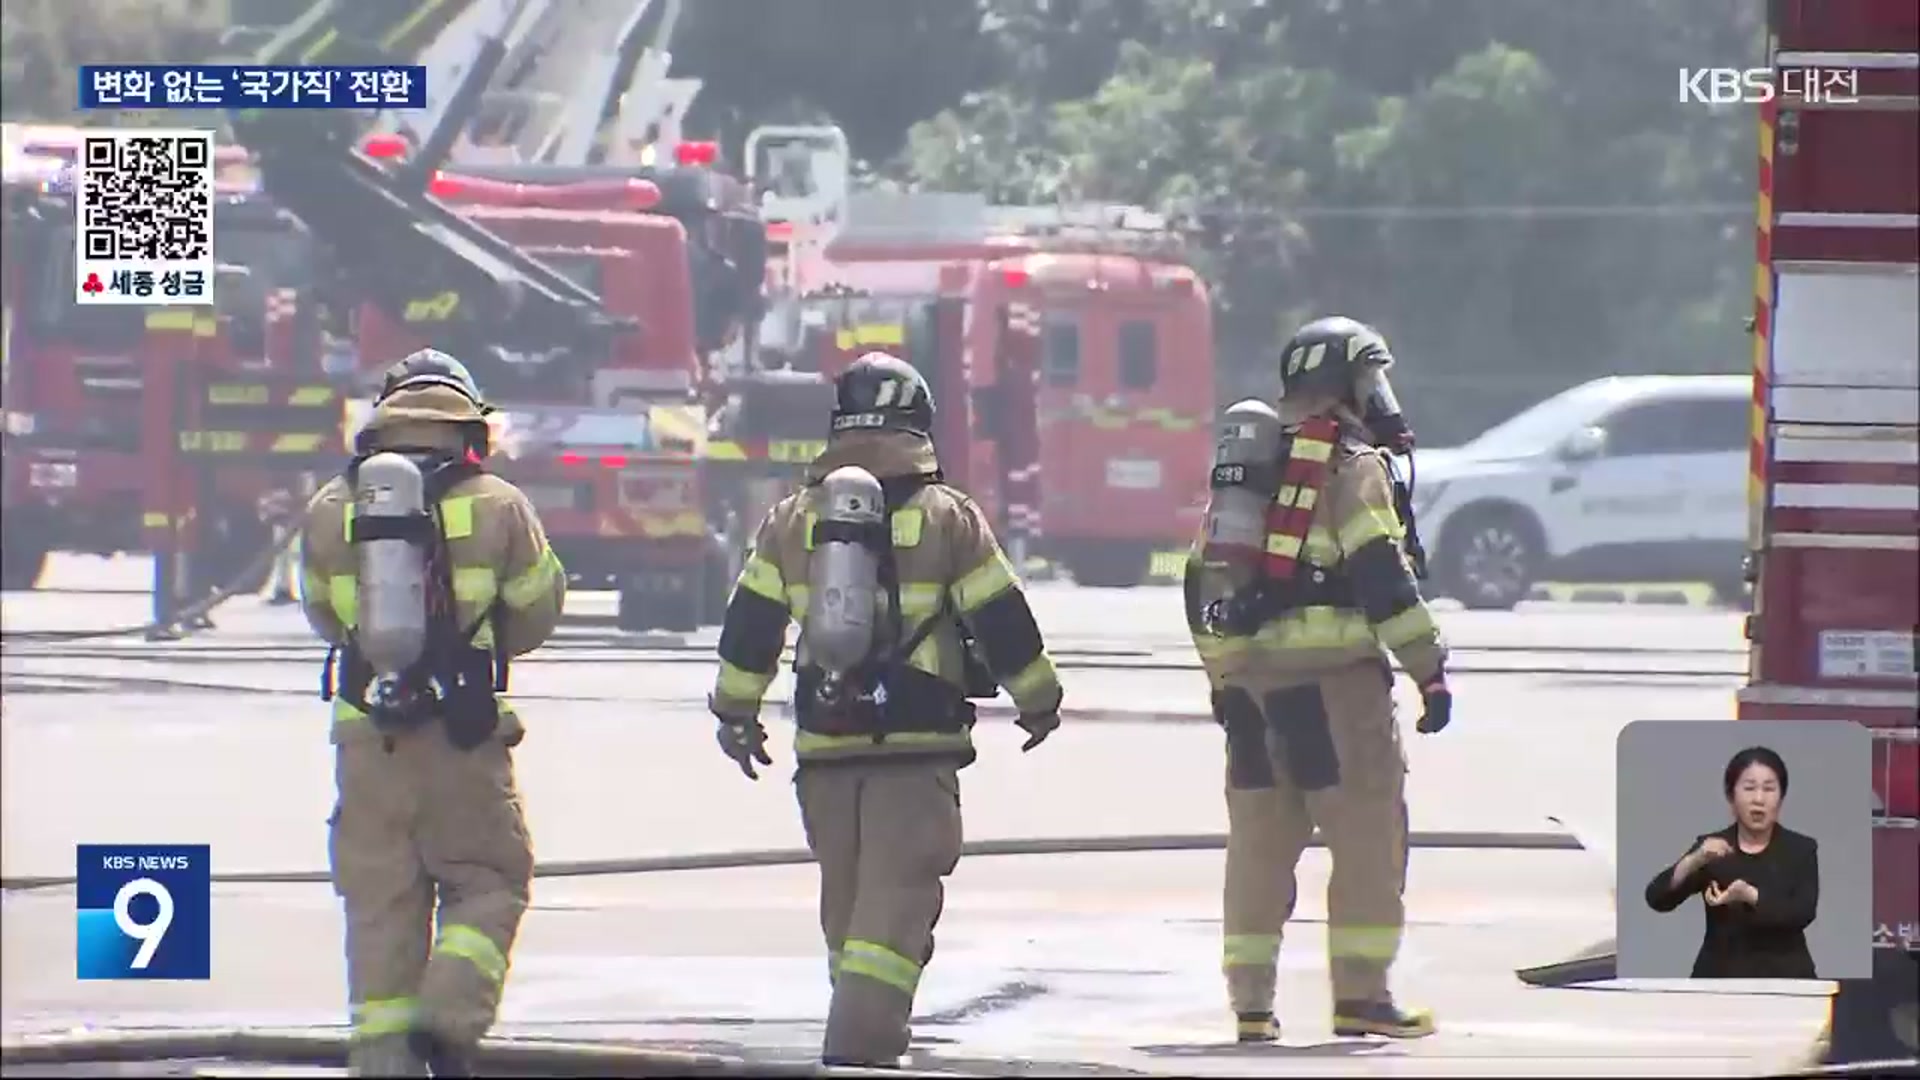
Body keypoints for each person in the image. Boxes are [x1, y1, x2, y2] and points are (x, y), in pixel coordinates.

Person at [707, 351, 1065, 1067]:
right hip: (915, 751)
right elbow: (1001, 619)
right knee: (891, 917)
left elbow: (749, 629)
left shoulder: (793, 520)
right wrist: (1039, 698)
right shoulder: (947, 518)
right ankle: (860, 1052)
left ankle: (857, 1032)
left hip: (827, 750)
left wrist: (736, 715)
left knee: (848, 912)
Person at [298, 349, 566, 1076]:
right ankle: (447, 1020)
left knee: (380, 909)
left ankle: (382, 1059)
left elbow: (322, 614)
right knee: (488, 879)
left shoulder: (332, 506)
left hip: (365, 740)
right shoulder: (500, 503)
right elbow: (537, 612)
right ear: (467, 422)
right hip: (460, 735)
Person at [1185, 316, 1449, 1043]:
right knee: (1367, 838)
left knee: (1259, 848)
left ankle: (1250, 1006)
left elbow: (1198, 581)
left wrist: (1224, 677)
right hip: (1339, 698)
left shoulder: (1248, 468)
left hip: (1252, 695)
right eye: (1374, 380)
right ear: (1352, 385)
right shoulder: (1350, 466)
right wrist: (1431, 670)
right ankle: (1361, 996)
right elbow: (1382, 579)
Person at [1643, 746, 1819, 979]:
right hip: (1720, 979)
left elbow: (1802, 913)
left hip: (1786, 981)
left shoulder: (1800, 849)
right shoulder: (1712, 849)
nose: (1758, 799)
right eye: (1748, 788)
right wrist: (1693, 861)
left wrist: (1749, 895)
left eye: (1769, 789)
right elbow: (1657, 899)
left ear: (1781, 796)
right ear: (1731, 796)